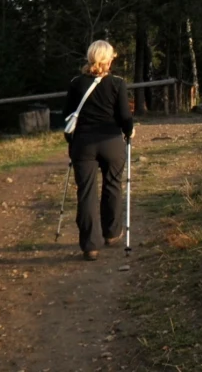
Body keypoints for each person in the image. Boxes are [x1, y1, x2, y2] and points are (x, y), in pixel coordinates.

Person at [63, 40, 134, 261]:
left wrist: (71, 141)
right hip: (111, 141)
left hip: (83, 143)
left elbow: (67, 116)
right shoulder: (118, 83)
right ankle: (112, 233)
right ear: (108, 58)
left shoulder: (76, 83)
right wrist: (129, 131)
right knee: (113, 185)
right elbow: (124, 116)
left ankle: (90, 245)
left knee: (86, 192)